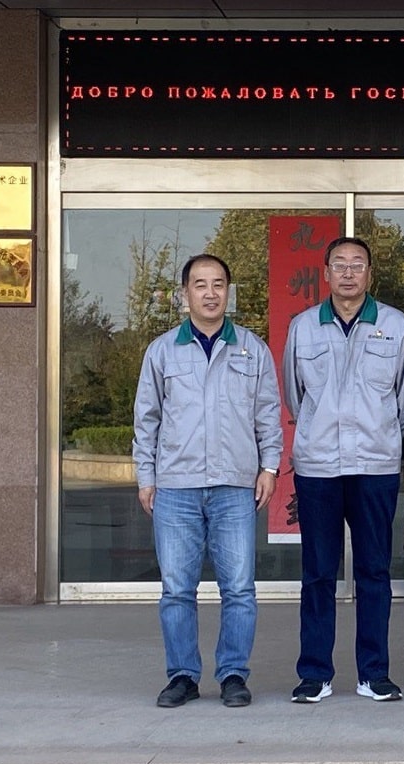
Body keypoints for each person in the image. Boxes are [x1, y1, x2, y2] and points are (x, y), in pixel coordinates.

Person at [133, 253, 282, 709]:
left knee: (239, 588)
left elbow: (268, 413)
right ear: (185, 294)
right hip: (176, 486)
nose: (210, 293)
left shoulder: (251, 349)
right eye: (200, 285)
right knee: (177, 589)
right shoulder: (162, 351)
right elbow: (146, 419)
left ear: (228, 292)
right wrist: (146, 476)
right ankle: (182, 675)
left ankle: (233, 673)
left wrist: (269, 467)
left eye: (218, 284)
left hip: (235, 485)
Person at [282, 236, 404, 704]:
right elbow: (295, 396)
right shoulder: (303, 327)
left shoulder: (395, 326)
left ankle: (374, 673)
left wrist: (381, 434)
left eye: (357, 264)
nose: (348, 272)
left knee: (374, 571)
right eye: (339, 264)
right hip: (318, 466)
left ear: (370, 274)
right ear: (325, 273)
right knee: (318, 572)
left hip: (375, 465)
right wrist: (319, 430)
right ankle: (314, 674)